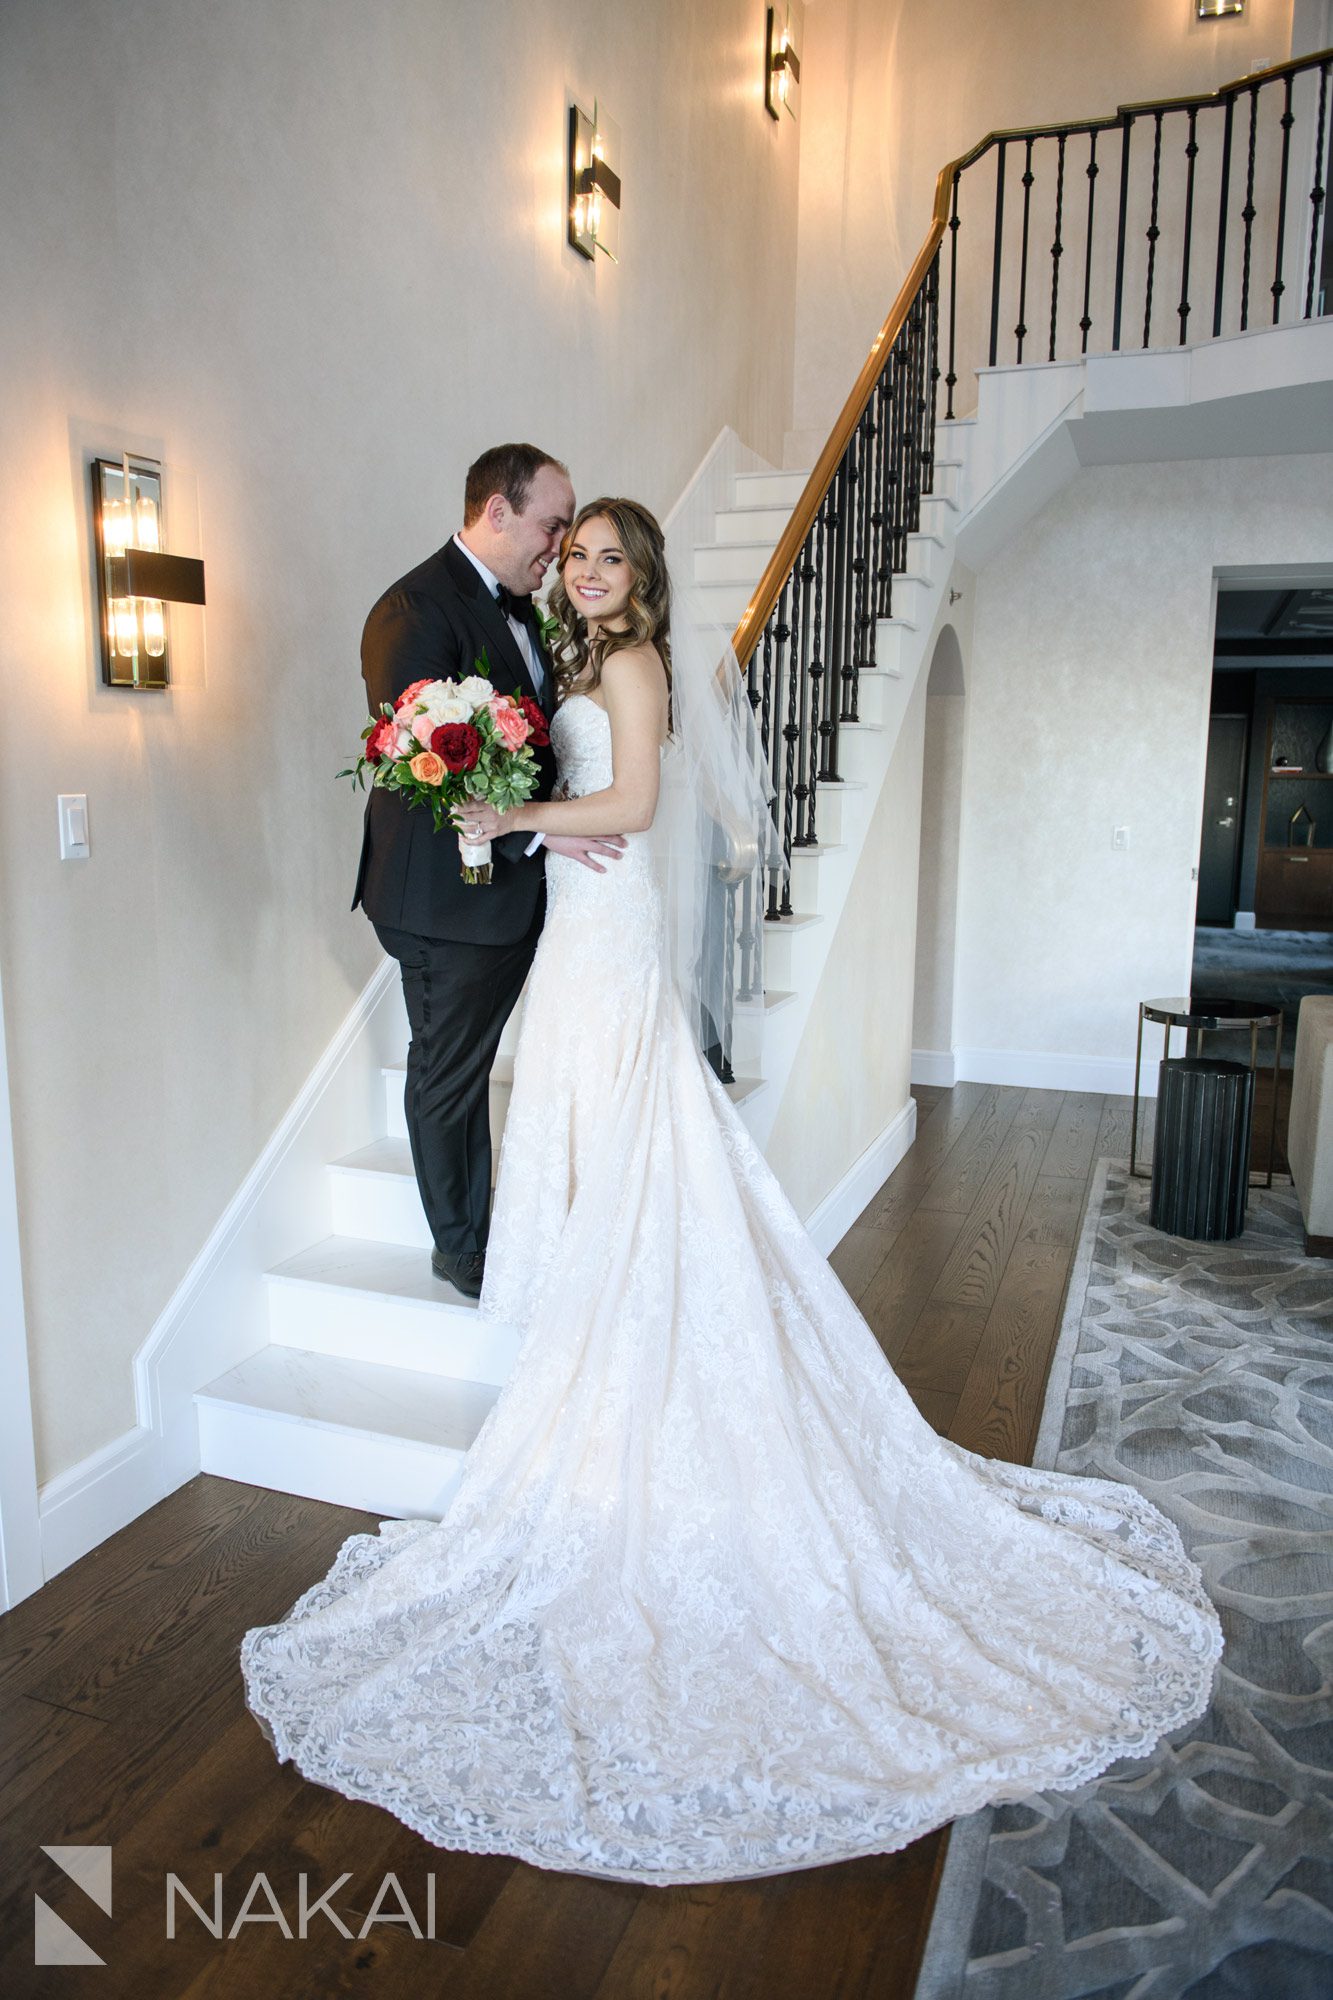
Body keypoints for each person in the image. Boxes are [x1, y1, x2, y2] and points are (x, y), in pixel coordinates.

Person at [243, 499, 1222, 1887]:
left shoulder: (631, 671)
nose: (581, 572)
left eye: (605, 558)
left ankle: (638, 1351)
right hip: (571, 936)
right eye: (569, 552)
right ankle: (604, 1333)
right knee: (589, 1141)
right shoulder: (558, 665)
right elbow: (590, 798)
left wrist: (511, 812)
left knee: (636, 1137)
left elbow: (635, 807)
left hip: (610, 937)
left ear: (639, 581)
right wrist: (516, 808)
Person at [352, 443, 627, 1298]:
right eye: (553, 526)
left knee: (490, 1061)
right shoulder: (412, 610)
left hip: (512, 891)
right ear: (496, 512)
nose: (560, 545)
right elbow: (432, 765)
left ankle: (514, 1213)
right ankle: (463, 1247)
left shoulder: (527, 610)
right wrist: (542, 837)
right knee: (450, 1071)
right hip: (446, 900)